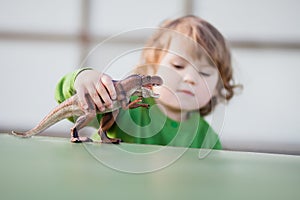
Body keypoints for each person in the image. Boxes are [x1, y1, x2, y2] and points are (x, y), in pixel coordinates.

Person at [55, 15, 239, 149]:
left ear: (217, 88)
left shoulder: (208, 139)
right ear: (152, 70)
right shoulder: (127, 111)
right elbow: (70, 105)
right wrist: (83, 79)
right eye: (178, 66)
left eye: (204, 73)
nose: (190, 78)